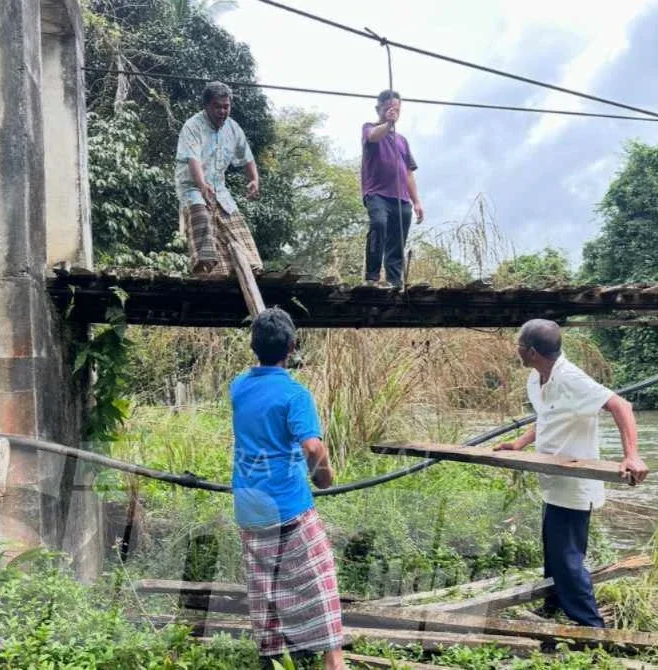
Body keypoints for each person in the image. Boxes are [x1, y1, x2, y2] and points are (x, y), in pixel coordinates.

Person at [495, 319, 648, 628]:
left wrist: (631, 455)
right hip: (553, 478)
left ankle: (591, 626)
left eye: (519, 347)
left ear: (533, 351)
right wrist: (519, 443)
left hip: (575, 484)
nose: (517, 351)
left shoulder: (571, 378)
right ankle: (553, 606)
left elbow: (622, 406)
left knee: (567, 557)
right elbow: (548, 418)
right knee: (554, 551)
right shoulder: (538, 378)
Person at [230, 307, 347, 670]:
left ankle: (274, 657)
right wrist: (323, 477)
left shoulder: (238, 387)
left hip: (250, 505)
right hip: (287, 505)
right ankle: (334, 661)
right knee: (320, 579)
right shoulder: (294, 394)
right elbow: (312, 447)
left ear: (253, 346)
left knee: (266, 584)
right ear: (292, 346)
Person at [176, 81, 262, 278]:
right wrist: (201, 185)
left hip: (219, 188)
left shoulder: (233, 128)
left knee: (234, 224)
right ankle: (205, 267)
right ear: (207, 106)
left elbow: (247, 157)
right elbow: (193, 158)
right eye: (218, 106)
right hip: (192, 186)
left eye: (226, 106)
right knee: (202, 215)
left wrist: (254, 180)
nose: (222, 111)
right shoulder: (192, 126)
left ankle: (249, 266)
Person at [361, 89, 423, 289]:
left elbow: (408, 173)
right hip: (377, 193)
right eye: (388, 108)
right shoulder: (370, 127)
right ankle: (371, 277)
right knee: (379, 225)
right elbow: (372, 137)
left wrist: (417, 201)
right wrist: (388, 124)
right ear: (378, 108)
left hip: (401, 198)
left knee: (398, 239)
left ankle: (394, 281)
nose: (392, 111)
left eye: (396, 109)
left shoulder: (402, 140)